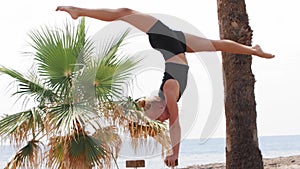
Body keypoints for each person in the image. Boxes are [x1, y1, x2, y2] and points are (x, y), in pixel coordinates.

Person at [56, 6, 275, 167]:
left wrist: (174, 153)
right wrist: (174, 152)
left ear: (160, 107)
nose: (162, 120)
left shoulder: (170, 91)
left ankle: (78, 11)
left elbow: (175, 126)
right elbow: (174, 123)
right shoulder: (169, 94)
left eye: (158, 118)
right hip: (176, 43)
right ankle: (254, 50)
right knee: (215, 45)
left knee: (124, 13)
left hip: (167, 42)